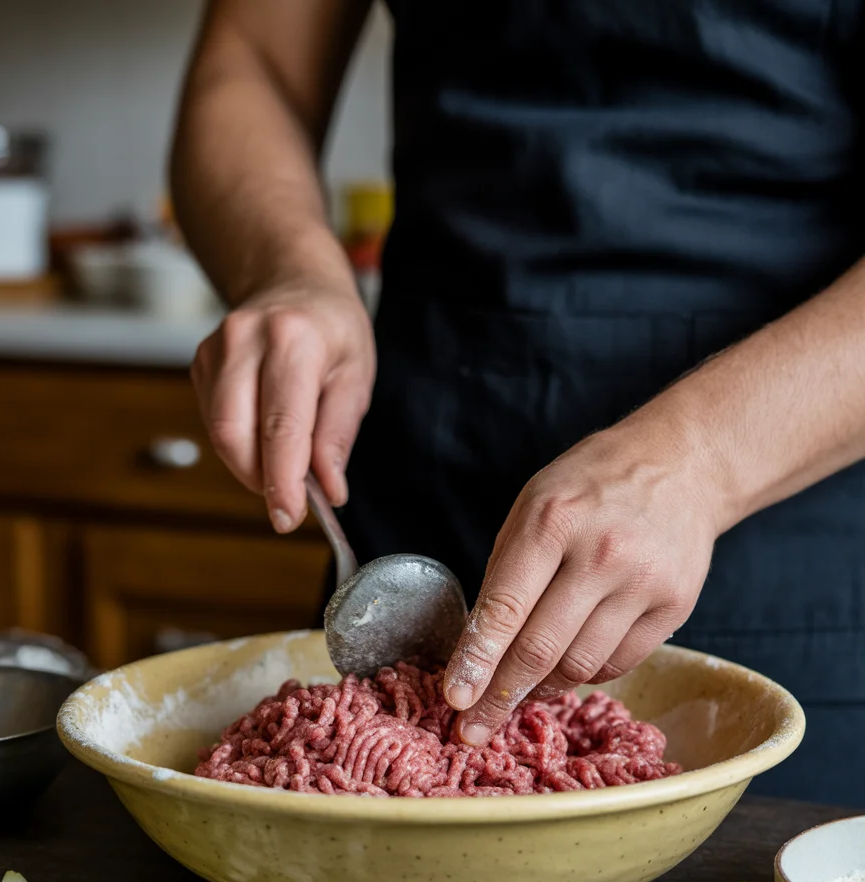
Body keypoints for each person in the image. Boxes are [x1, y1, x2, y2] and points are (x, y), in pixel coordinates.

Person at [171, 1, 865, 806]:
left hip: (790, 522)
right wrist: (289, 266)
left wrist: (702, 459)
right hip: (428, 482)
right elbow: (253, 64)